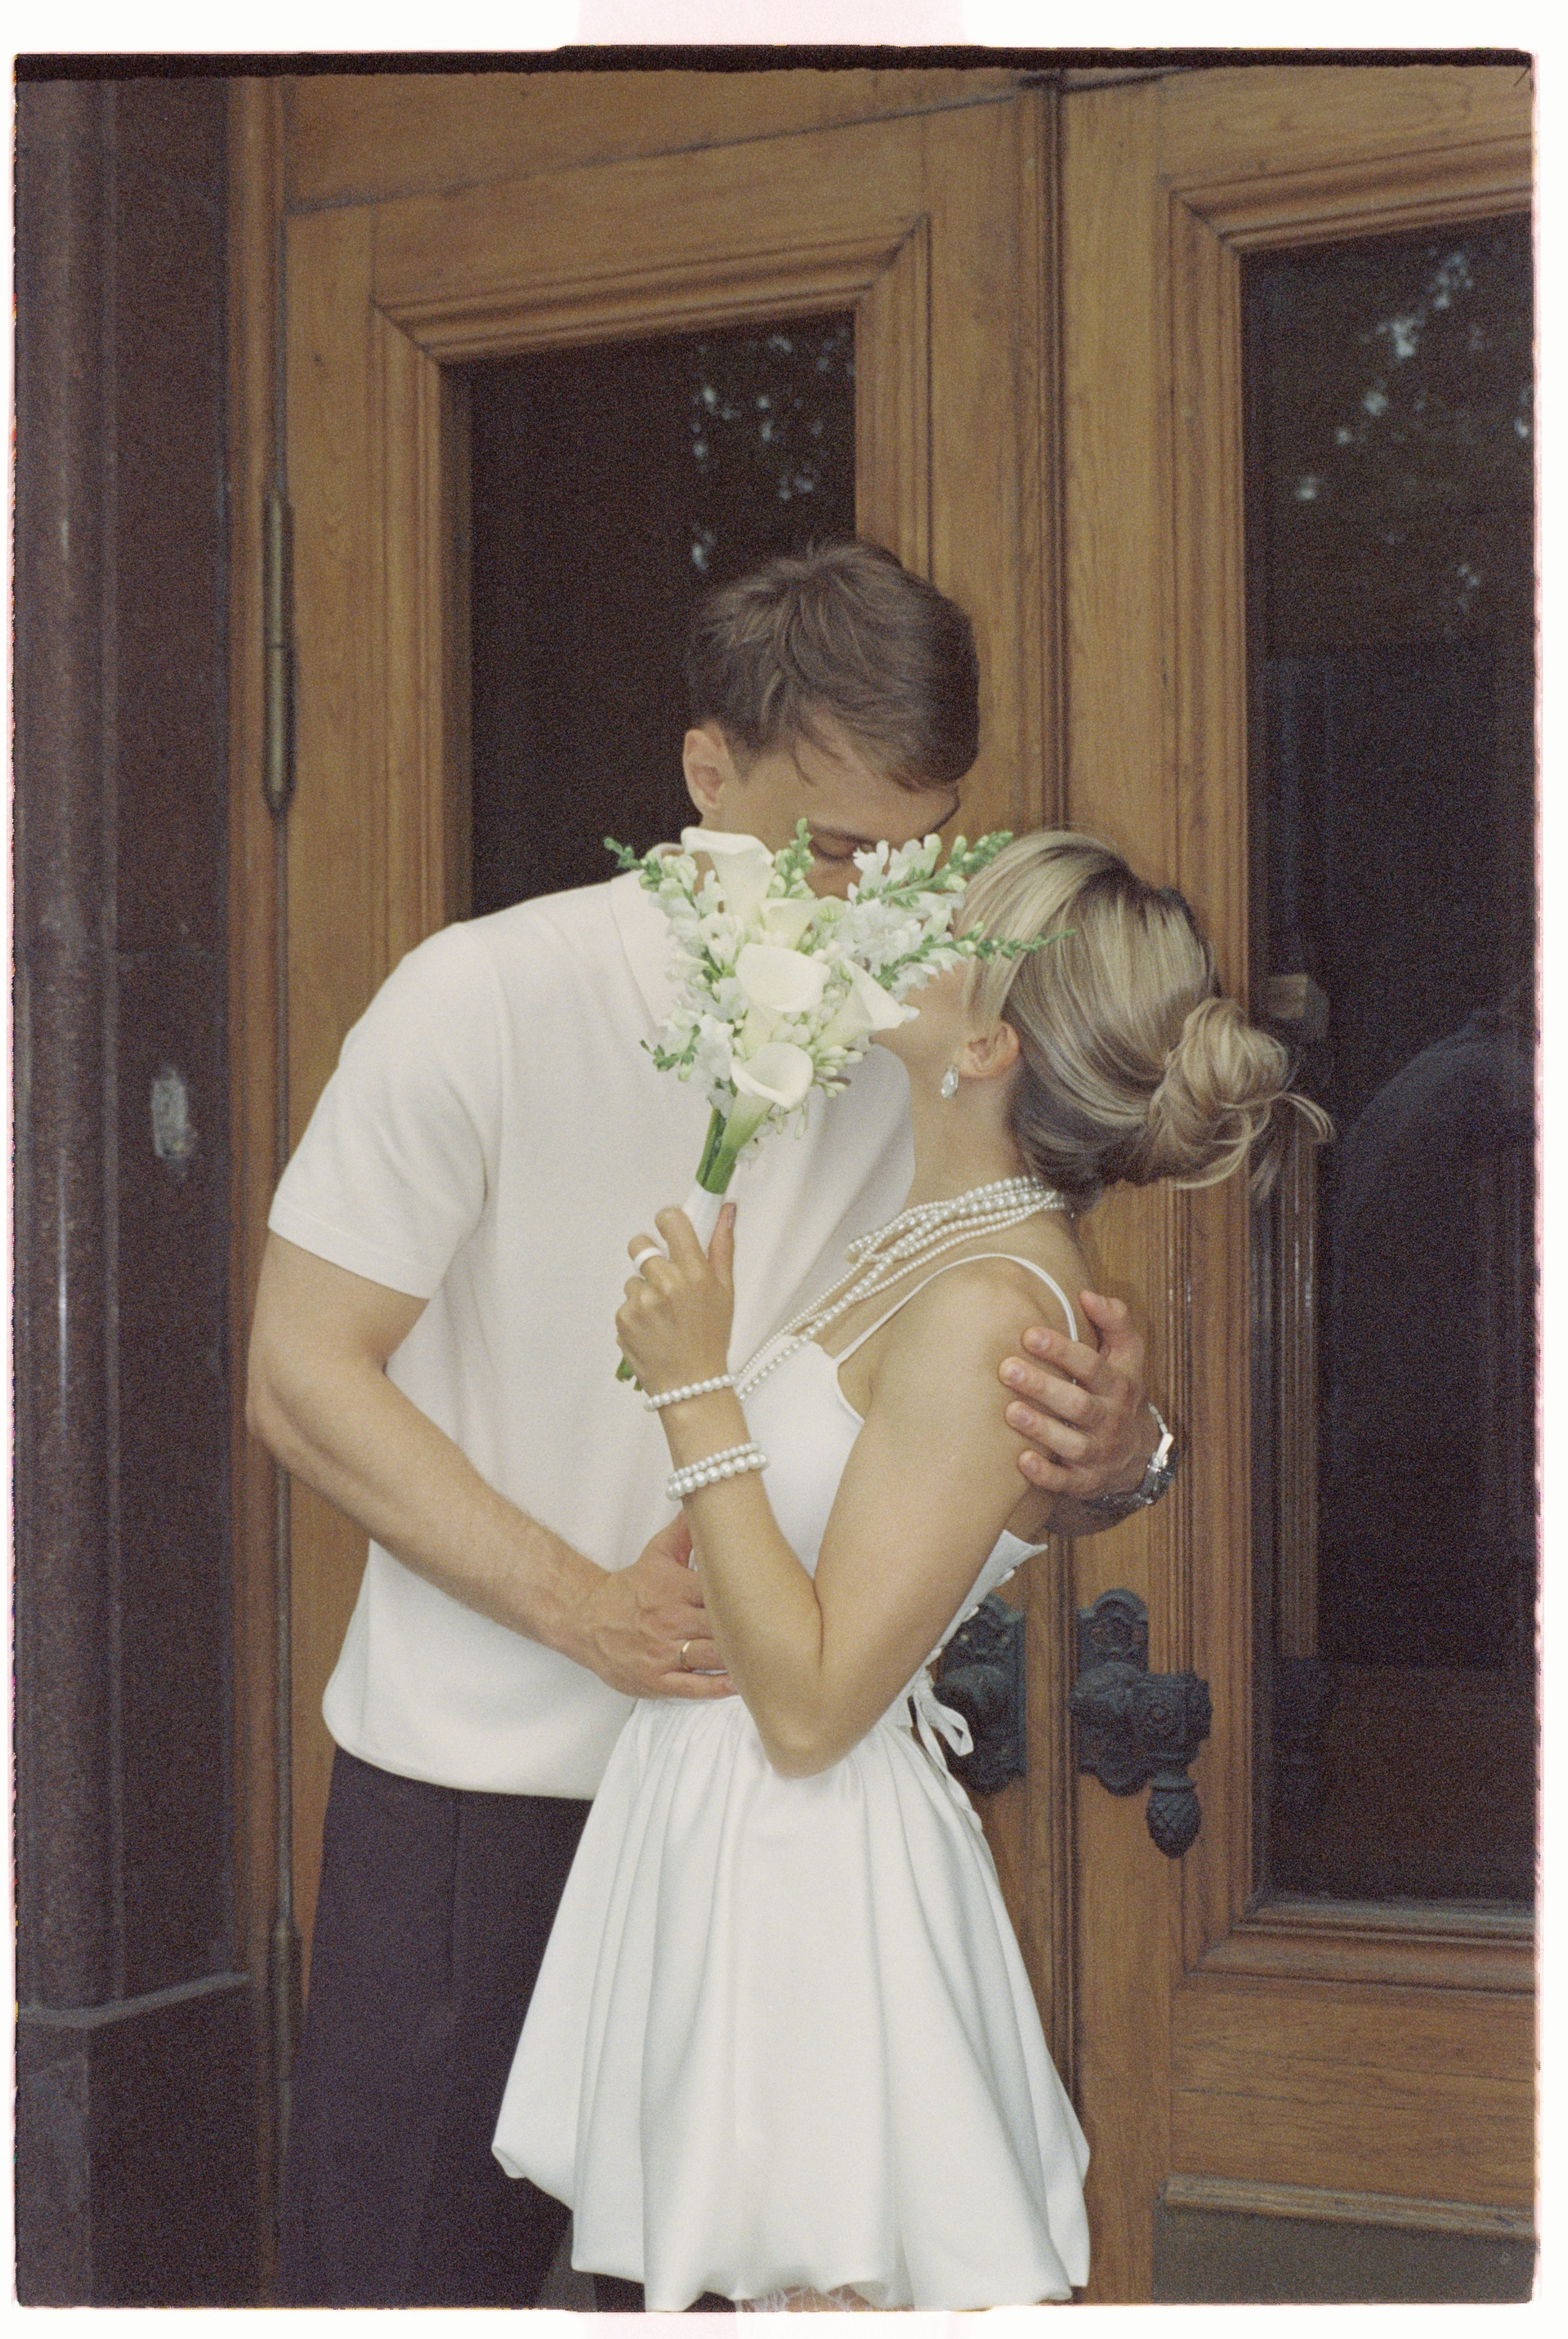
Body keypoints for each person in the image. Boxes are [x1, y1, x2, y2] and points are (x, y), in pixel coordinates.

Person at [247, 543, 1170, 2309]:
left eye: (925, 850)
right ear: (705, 773)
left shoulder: (934, 1046)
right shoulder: (480, 995)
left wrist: (1126, 1457)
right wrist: (583, 1609)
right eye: (834, 850)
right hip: (477, 1799)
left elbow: (971, 1420)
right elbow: (301, 1371)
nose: (883, 904)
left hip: (766, 1840)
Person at [492, 831, 1321, 2310]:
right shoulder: (928, 1241)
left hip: (811, 1875)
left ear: (987, 1045)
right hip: (738, 1850)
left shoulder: (986, 1300)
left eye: (947, 919)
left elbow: (814, 1709)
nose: (901, 913)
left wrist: (695, 1390)